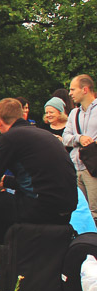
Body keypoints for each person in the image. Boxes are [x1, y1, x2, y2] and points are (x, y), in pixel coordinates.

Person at [0, 97, 77, 291]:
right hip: (64, 208)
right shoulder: (43, 135)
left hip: (39, 207)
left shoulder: (10, 138)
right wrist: (5, 182)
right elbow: (41, 181)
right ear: (21, 115)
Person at [64, 75, 97, 226]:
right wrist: (79, 138)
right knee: (78, 211)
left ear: (84, 90)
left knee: (94, 212)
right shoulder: (74, 113)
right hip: (75, 168)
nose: (70, 93)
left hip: (93, 168)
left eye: (72, 89)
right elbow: (66, 138)